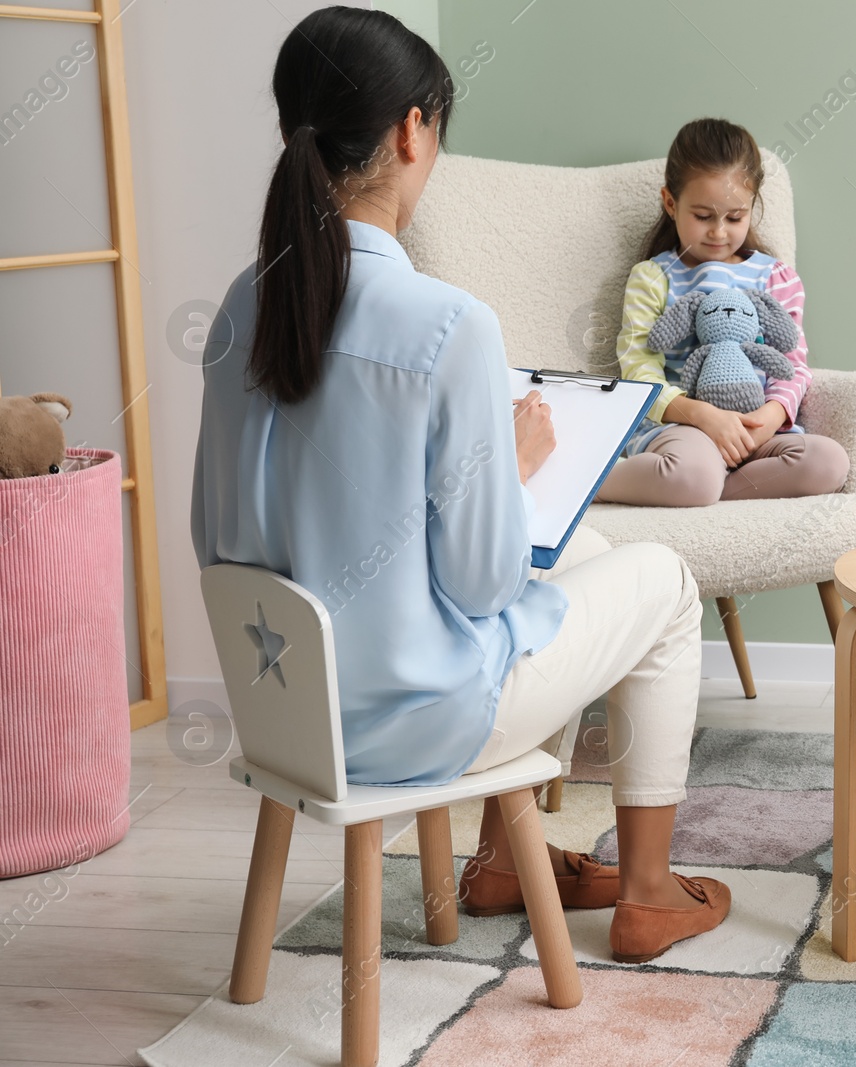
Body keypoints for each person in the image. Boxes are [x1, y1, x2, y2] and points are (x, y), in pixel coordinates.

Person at [189, 6, 727, 964]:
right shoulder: (446, 325)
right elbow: (482, 584)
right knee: (668, 585)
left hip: (285, 710)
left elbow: (213, 532)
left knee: (592, 553)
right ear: (410, 129)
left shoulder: (242, 301)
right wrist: (515, 471)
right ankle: (648, 893)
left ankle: (501, 863)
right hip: (412, 722)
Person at [594, 117, 849, 506]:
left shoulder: (776, 277)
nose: (718, 232)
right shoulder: (653, 278)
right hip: (681, 425)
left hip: (753, 427)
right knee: (693, 470)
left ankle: (704, 488)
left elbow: (792, 364)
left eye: (734, 217)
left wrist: (769, 418)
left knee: (829, 462)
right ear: (670, 203)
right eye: (702, 216)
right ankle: (590, 480)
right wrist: (700, 416)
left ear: (752, 207)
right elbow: (638, 369)